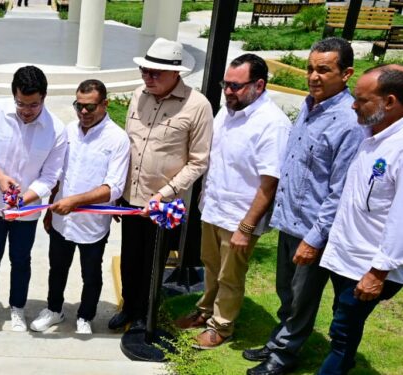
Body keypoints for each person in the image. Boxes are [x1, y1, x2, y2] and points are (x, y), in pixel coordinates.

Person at [243, 38, 366, 375]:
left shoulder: (349, 122)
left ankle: (283, 356)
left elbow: (339, 190)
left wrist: (315, 238)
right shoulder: (310, 107)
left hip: (314, 231)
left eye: (324, 70)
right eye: (311, 68)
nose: (313, 76)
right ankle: (278, 341)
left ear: (346, 73)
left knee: (302, 300)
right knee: (286, 292)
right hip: (289, 221)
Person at [172, 54, 290, 349]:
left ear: (259, 85)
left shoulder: (272, 124)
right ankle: (205, 310)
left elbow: (269, 183)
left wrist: (247, 228)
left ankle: (222, 327)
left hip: (240, 217)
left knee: (231, 275)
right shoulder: (228, 111)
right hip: (213, 208)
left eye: (236, 86)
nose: (227, 91)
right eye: (226, 84)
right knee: (211, 266)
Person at [108, 37, 213, 331]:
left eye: (155, 73)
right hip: (131, 196)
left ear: (176, 73)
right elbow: (128, 146)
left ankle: (146, 314)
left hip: (164, 204)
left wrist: (164, 194)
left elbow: (198, 161)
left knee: (153, 264)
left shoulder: (197, 106)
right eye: (145, 71)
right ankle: (130, 307)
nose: (147, 78)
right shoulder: (138, 95)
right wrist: (118, 191)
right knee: (130, 259)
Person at [315, 66, 403, 374]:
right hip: (346, 258)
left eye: (362, 100)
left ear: (390, 101)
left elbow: (400, 220)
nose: (353, 105)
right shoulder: (371, 135)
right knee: (341, 323)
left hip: (370, 265)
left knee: (341, 334)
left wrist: (378, 272)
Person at [0, 65, 67, 331]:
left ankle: (17, 308)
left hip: (27, 210)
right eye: (21, 104)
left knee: (21, 259)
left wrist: (26, 197)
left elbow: (50, 176)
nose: (26, 111)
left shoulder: (56, 130)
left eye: (33, 105)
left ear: (44, 97)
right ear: (14, 95)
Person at [29, 79, 130, 335]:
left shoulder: (117, 139)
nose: (83, 112)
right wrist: (52, 207)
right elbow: (56, 173)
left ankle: (85, 316)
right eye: (79, 106)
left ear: (105, 104)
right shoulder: (68, 131)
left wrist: (74, 201)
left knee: (91, 275)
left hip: (93, 225)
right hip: (62, 219)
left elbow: (113, 188)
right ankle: (54, 310)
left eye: (90, 107)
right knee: (57, 269)